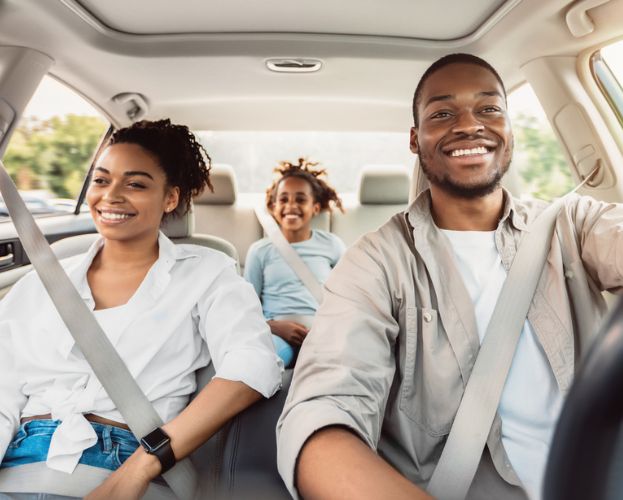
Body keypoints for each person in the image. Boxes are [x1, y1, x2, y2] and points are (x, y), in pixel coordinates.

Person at [276, 53, 622, 500]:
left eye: (489, 108)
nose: (469, 124)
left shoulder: (574, 224)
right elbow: (322, 412)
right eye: (443, 113)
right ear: (415, 140)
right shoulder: (376, 261)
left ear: (510, 129)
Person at [0, 119, 283, 499]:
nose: (111, 195)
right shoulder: (39, 283)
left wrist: (143, 465)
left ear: (170, 198)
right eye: (101, 180)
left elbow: (254, 364)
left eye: (135, 184)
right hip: (16, 463)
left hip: (127, 459)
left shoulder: (207, 273)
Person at [244, 158, 345, 367]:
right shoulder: (260, 251)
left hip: (322, 332)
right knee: (265, 361)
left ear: (315, 207)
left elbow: (348, 298)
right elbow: (246, 309)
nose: (291, 206)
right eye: (283, 199)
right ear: (273, 207)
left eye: (300, 200)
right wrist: (273, 327)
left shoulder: (332, 245)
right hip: (276, 332)